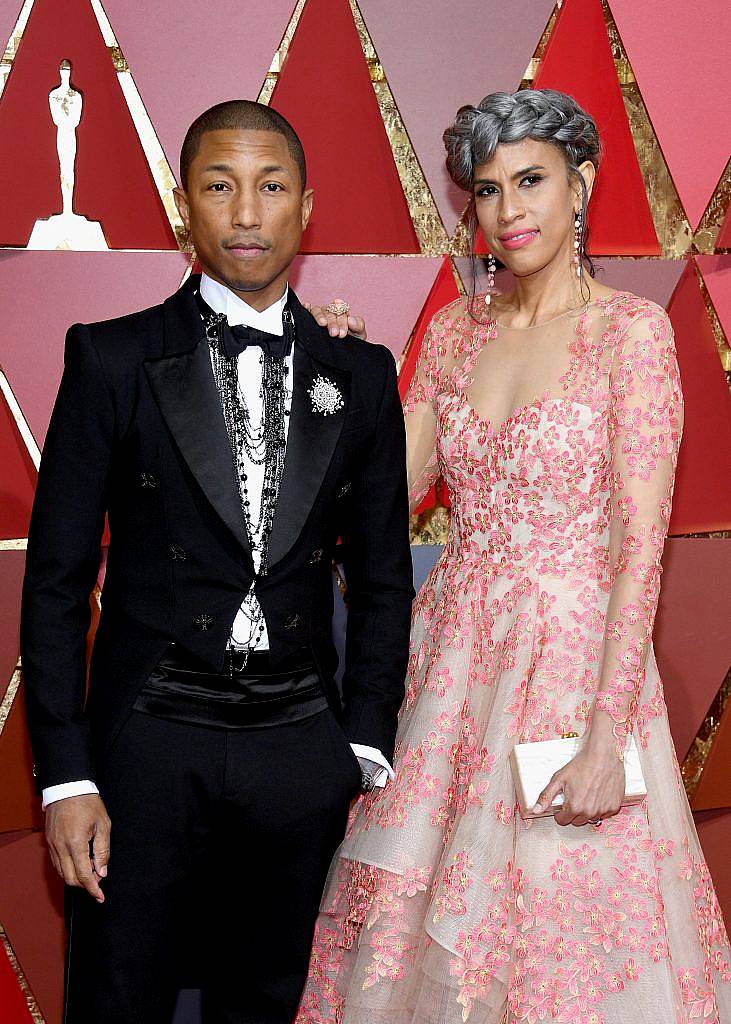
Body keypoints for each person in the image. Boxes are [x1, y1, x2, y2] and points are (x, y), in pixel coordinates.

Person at [297, 89, 731, 1023]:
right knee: (424, 928)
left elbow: (637, 555)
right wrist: (339, 384)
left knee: (559, 943)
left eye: (530, 181)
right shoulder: (452, 333)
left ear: (581, 185)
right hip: (452, 669)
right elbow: (378, 498)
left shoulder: (633, 336)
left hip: (575, 679)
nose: (509, 211)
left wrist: (607, 738)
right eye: (487, 191)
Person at [21, 99, 414, 1023]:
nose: (246, 213)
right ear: (180, 206)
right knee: (120, 995)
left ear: (305, 207)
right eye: (220, 186)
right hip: (145, 741)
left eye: (270, 187)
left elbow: (385, 578)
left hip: (298, 749)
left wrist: (358, 744)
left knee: (269, 1001)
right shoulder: (112, 358)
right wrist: (68, 775)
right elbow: (57, 583)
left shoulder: (360, 378)